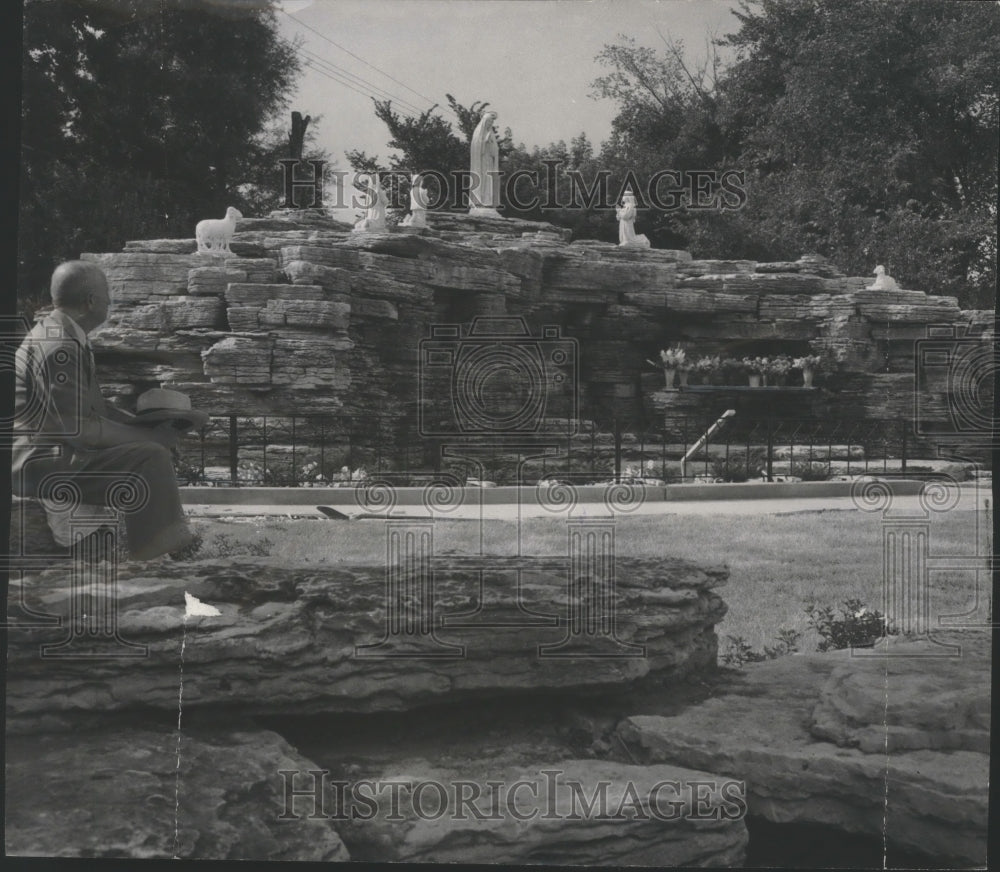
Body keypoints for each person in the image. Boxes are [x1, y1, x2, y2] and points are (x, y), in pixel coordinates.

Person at [12, 260, 194, 560]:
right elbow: (81, 429)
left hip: (48, 455)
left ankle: (158, 553)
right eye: (107, 292)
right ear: (91, 301)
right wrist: (151, 440)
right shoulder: (60, 346)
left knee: (149, 448)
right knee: (150, 457)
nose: (110, 300)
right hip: (37, 465)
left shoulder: (64, 336)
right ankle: (154, 561)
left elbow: (97, 409)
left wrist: (146, 428)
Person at [469, 111, 500, 214]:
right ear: (484, 122)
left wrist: (492, 146)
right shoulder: (478, 132)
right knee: (481, 180)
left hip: (489, 161)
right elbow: (476, 148)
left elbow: (495, 150)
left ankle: (488, 201)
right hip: (480, 162)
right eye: (489, 122)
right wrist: (484, 142)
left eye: (491, 123)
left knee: (489, 181)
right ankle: (479, 201)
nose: (490, 125)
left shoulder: (491, 133)